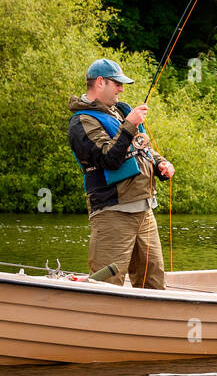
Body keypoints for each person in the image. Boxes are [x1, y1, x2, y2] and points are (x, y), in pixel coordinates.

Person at [68, 58, 175, 288]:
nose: (121, 88)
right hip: (112, 212)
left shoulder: (119, 112)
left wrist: (161, 164)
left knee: (153, 283)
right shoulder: (81, 122)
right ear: (99, 83)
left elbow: (142, 147)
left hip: (145, 212)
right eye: (117, 83)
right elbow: (108, 159)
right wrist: (129, 125)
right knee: (106, 285)